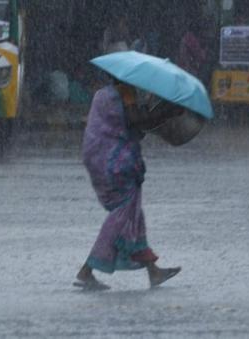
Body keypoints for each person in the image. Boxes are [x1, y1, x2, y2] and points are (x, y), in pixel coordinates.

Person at [74, 78, 182, 290]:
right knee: (123, 212)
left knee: (133, 215)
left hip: (98, 155)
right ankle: (86, 270)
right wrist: (167, 111)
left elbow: (130, 124)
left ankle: (154, 271)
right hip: (115, 160)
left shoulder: (102, 94)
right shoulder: (124, 93)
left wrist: (156, 110)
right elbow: (137, 121)